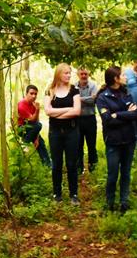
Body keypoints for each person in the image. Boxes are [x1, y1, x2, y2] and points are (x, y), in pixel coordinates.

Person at [96, 66, 137, 213]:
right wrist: (126, 114)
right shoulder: (102, 97)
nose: (126, 77)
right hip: (113, 141)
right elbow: (107, 120)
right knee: (113, 174)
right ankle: (109, 203)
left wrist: (118, 115)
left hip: (129, 139)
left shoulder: (127, 93)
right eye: (123, 75)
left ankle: (124, 202)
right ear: (115, 78)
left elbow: (135, 114)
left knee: (126, 173)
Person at [44, 63, 81, 204]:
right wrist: (68, 109)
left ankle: (74, 194)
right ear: (58, 74)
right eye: (66, 73)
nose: (69, 75)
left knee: (72, 163)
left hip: (72, 132)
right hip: (55, 133)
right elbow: (47, 111)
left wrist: (56, 113)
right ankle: (57, 194)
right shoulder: (50, 90)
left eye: (69, 73)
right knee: (56, 164)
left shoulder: (74, 90)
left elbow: (77, 111)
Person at [17, 85, 51, 167]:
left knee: (40, 143)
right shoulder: (21, 105)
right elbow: (32, 119)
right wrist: (38, 109)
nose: (34, 96)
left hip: (32, 128)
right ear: (26, 93)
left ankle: (47, 164)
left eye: (35, 94)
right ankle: (25, 142)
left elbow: (36, 120)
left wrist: (36, 137)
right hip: (22, 129)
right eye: (31, 93)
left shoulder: (33, 104)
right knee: (38, 125)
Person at [75, 68, 98, 174]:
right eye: (82, 73)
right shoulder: (74, 86)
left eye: (86, 73)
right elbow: (72, 101)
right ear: (78, 74)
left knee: (91, 144)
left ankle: (93, 165)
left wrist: (79, 99)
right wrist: (88, 98)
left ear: (88, 74)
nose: (84, 75)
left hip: (90, 119)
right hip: (77, 119)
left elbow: (94, 100)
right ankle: (79, 167)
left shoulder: (93, 85)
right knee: (78, 143)